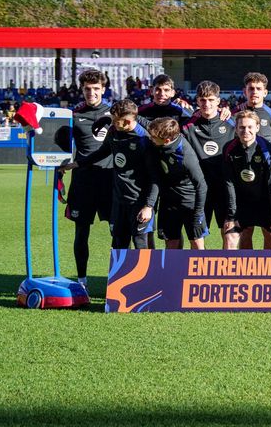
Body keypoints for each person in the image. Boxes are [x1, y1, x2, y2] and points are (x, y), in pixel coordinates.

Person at [67, 98, 156, 251]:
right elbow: (102, 152)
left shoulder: (145, 140)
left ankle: (148, 276)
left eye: (115, 121)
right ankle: (120, 275)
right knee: (118, 244)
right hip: (118, 199)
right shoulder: (114, 131)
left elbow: (155, 178)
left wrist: (148, 206)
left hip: (139, 201)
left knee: (141, 244)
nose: (112, 123)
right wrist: (76, 164)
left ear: (127, 122)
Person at [64, 69, 114, 287]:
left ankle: (118, 279)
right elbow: (56, 140)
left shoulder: (115, 113)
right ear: (82, 90)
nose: (91, 93)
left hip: (111, 181)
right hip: (83, 183)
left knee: (118, 232)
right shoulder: (74, 116)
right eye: (87, 89)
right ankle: (82, 281)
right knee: (81, 232)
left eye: (95, 89)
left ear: (103, 89)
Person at [182, 81, 236, 246]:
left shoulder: (231, 123)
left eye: (211, 100)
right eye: (203, 100)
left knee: (230, 234)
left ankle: (228, 271)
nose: (207, 104)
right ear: (197, 101)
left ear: (219, 101)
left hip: (225, 188)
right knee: (197, 238)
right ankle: (199, 272)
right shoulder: (188, 126)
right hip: (199, 189)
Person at [222, 110, 271, 250]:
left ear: (257, 127)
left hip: (265, 202)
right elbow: (229, 183)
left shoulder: (266, 149)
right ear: (236, 128)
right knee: (230, 236)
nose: (246, 131)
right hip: (243, 202)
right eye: (242, 127)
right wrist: (232, 216)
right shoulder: (229, 148)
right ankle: (233, 271)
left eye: (250, 127)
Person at [145, 117, 208, 250]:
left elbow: (201, 185)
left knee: (196, 242)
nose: (150, 139)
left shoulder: (185, 155)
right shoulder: (158, 137)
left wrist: (198, 214)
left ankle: (199, 271)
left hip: (189, 202)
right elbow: (139, 119)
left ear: (167, 140)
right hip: (168, 201)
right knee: (171, 243)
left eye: (153, 138)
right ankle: (174, 271)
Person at [234, 72, 271, 149]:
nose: (254, 92)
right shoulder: (235, 113)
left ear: (265, 93)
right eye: (251, 88)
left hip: (266, 160)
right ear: (244, 92)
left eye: (259, 89)